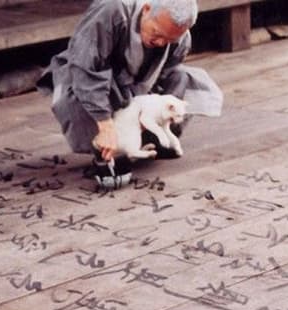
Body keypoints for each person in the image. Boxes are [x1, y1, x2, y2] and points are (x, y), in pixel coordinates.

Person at [37, 0, 224, 187]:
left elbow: (166, 72)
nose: (160, 43)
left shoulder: (180, 37)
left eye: (168, 40)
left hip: (139, 86)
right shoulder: (112, 10)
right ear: (147, 9)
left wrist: (146, 109)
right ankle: (107, 152)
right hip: (96, 77)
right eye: (157, 34)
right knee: (89, 98)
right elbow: (86, 68)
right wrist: (105, 125)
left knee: (181, 78)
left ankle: (148, 140)